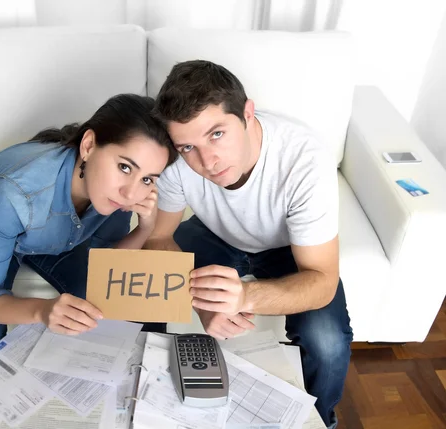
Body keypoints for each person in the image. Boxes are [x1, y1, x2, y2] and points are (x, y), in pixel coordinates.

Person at [0, 93, 177, 429]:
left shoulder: (115, 197)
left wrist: (145, 229)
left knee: (102, 304)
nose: (131, 193)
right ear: (89, 145)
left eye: (148, 179)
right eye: (124, 167)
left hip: (58, 236)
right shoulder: (14, 191)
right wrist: (42, 311)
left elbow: (104, 266)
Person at [144, 60, 353, 428]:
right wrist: (198, 298)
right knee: (147, 298)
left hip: (287, 247)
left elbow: (321, 280)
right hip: (213, 234)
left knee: (328, 342)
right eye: (189, 146)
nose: (207, 161)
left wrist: (243, 296)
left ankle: (319, 421)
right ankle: (150, 409)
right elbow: (159, 238)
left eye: (217, 134)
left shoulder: (304, 159)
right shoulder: (177, 160)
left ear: (247, 113)